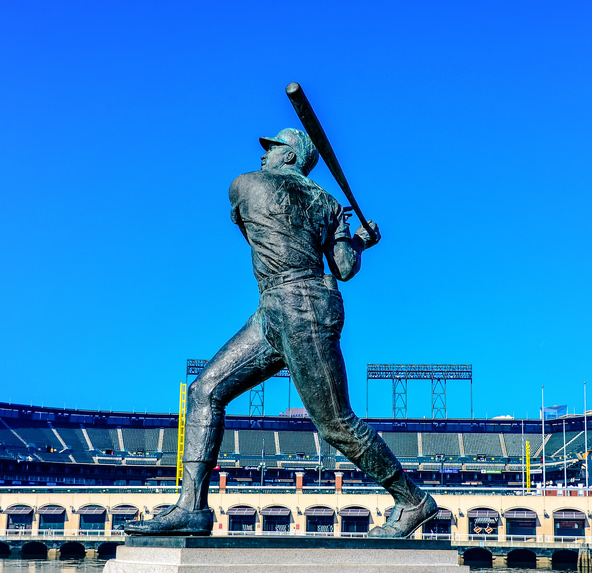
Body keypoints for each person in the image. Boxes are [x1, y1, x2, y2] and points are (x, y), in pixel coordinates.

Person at [126, 128, 436, 538]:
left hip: (302, 306)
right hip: (276, 306)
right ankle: (192, 507)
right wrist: (360, 240)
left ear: (290, 156)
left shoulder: (244, 185)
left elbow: (256, 231)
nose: (265, 153)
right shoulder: (328, 204)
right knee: (204, 391)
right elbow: (345, 267)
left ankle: (413, 500)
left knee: (336, 423)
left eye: (273, 148)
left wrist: (342, 233)